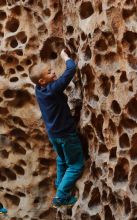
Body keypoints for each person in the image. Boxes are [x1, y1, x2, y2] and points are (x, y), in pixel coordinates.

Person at [29, 49, 84, 208]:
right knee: (76, 164)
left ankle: (60, 185)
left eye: (52, 70)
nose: (53, 72)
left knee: (61, 159)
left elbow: (54, 80)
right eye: (49, 72)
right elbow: (70, 70)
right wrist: (66, 57)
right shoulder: (52, 89)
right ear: (42, 81)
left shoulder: (39, 91)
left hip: (53, 135)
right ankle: (61, 196)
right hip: (66, 134)